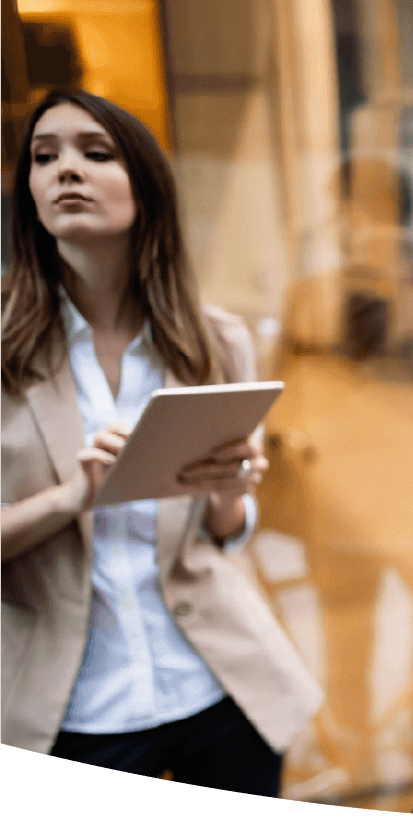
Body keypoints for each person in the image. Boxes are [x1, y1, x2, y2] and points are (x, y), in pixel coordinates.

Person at [0, 90, 322, 795]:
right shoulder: (5, 347)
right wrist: (72, 497)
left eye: (95, 153)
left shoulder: (216, 340)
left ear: (146, 186)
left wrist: (230, 494)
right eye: (44, 158)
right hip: (69, 710)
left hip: (220, 688)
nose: (66, 170)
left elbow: (222, 534)